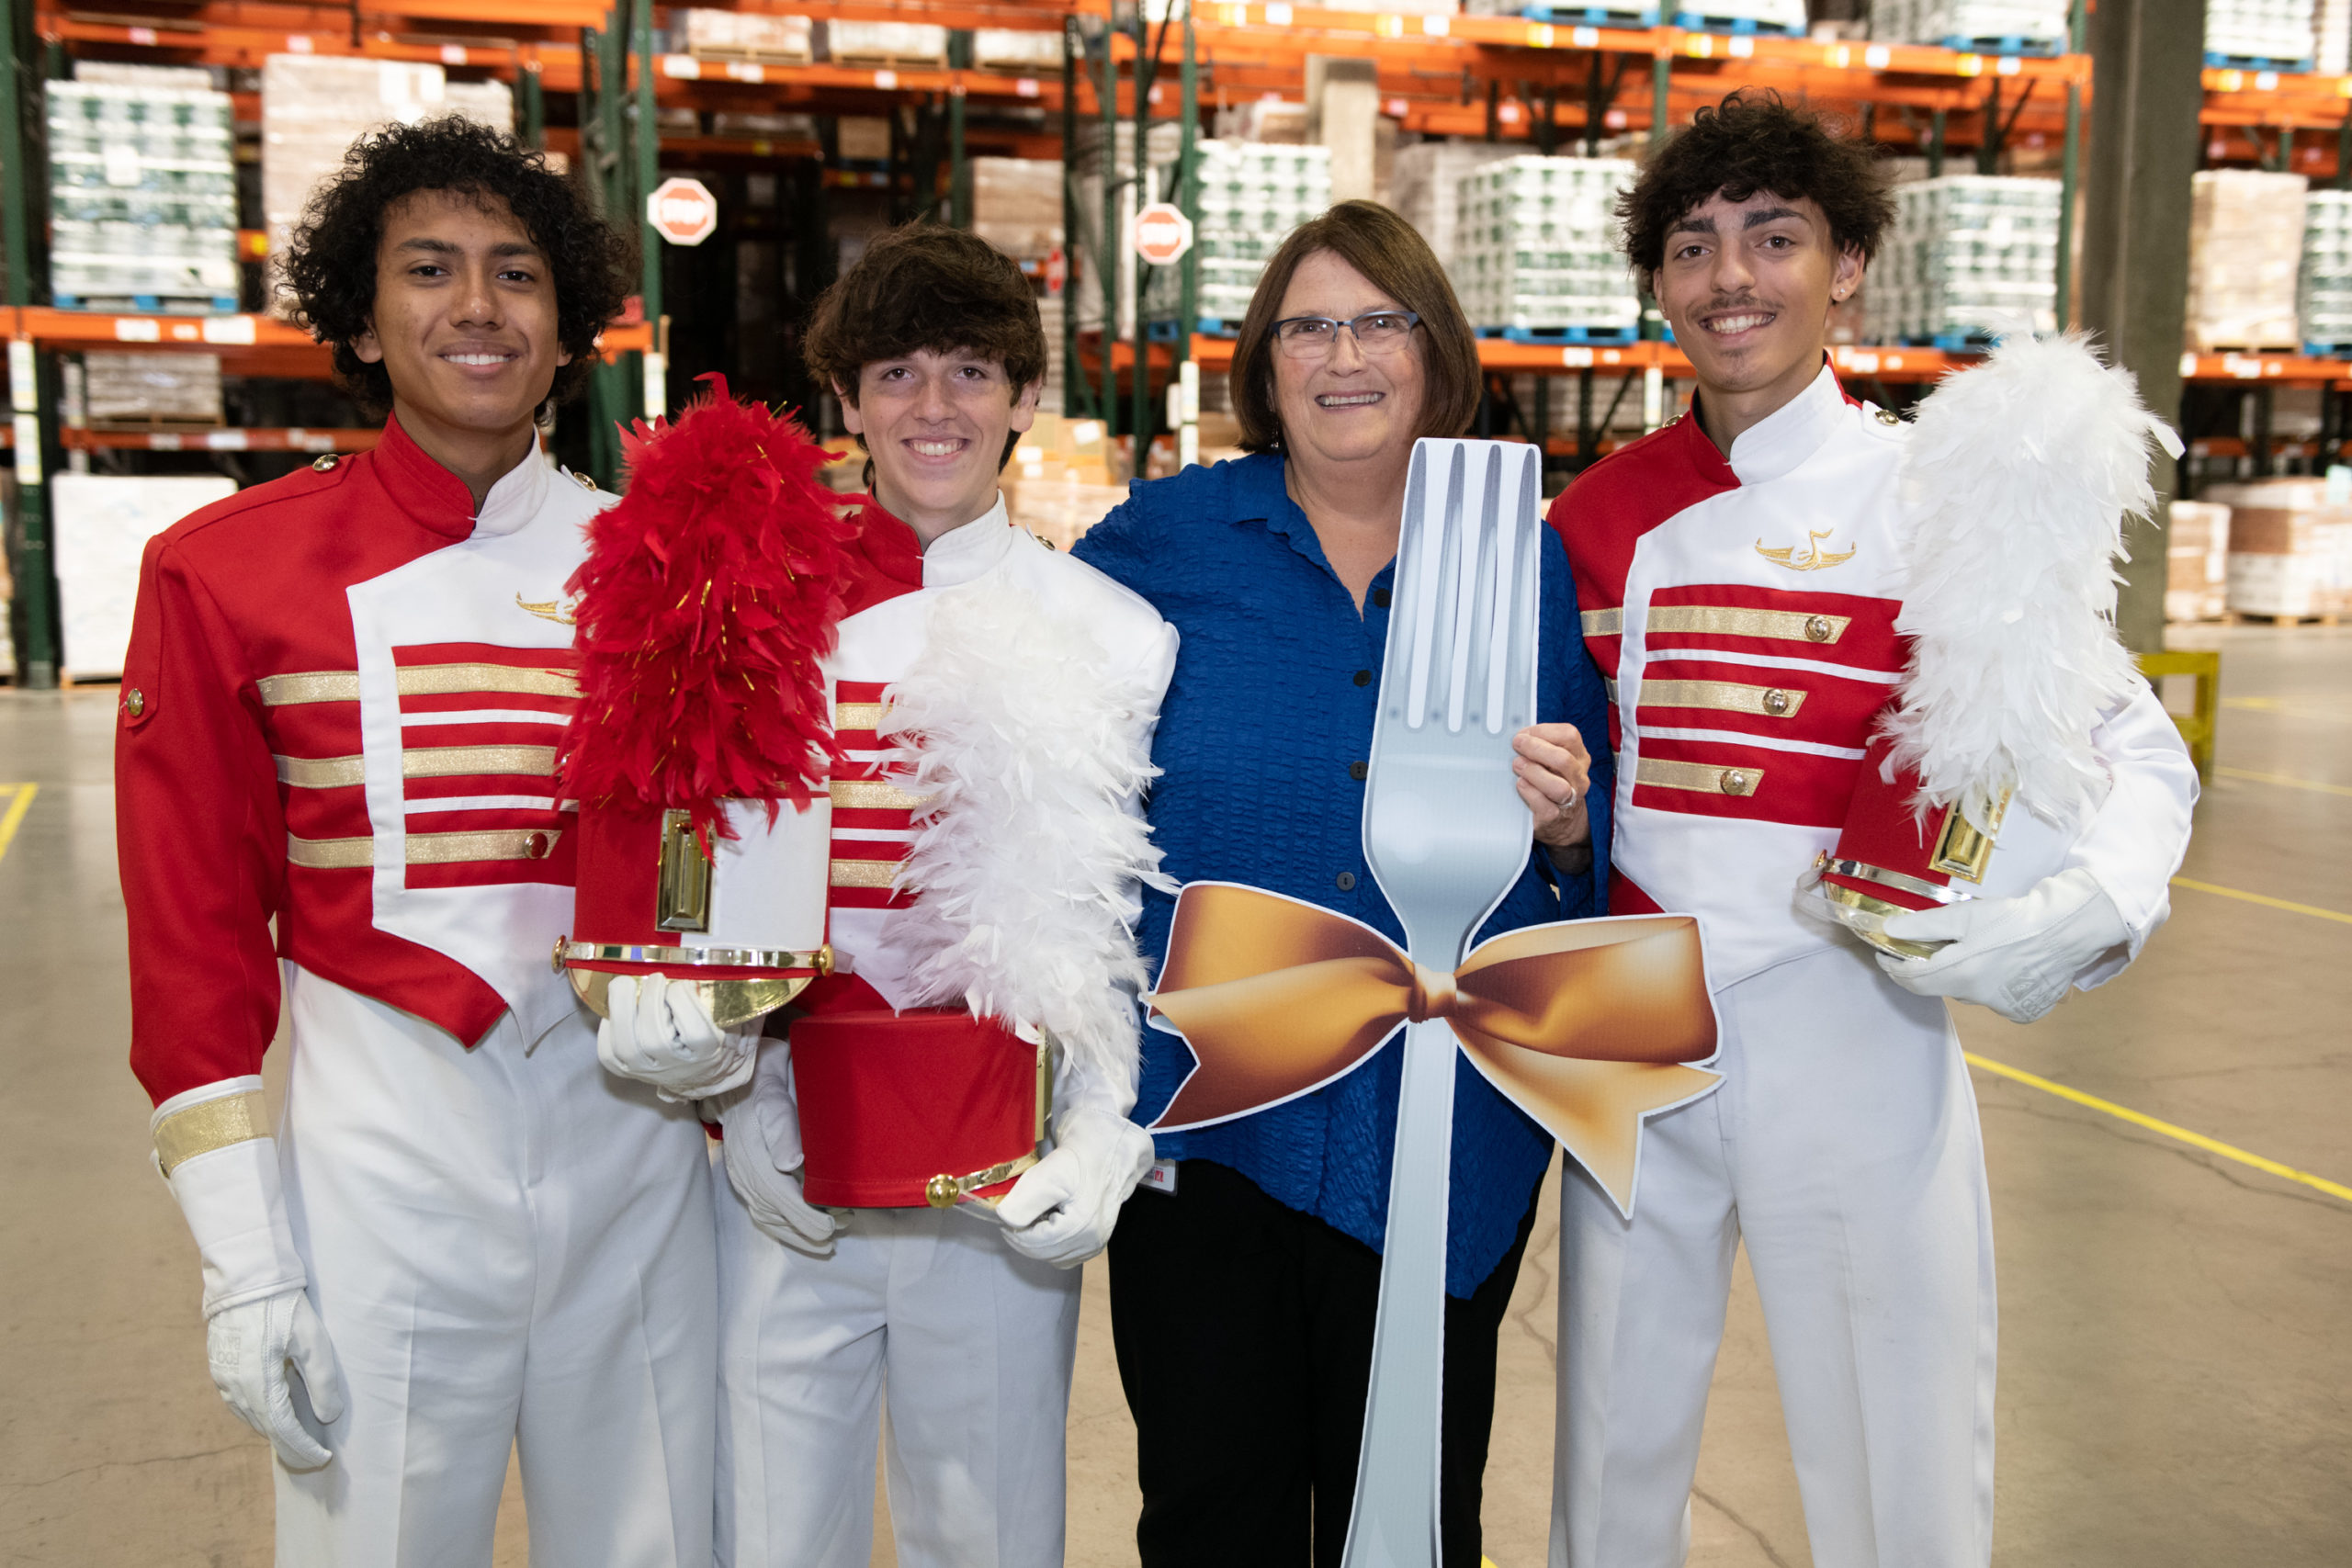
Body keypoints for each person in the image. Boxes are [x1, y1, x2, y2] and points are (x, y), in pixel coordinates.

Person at [1541, 91, 2198, 1568]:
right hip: (1625, 1018)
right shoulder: (1589, 516)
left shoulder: (1936, 497)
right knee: (1606, 1438)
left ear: (1846, 268)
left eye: (1774, 239)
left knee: (1892, 1431)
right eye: (1695, 246)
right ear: (1658, 282)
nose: (1731, 279)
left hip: (1846, 1010)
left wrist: (2097, 903)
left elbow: (2129, 743)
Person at [115, 118, 719, 1563]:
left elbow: (718, 871)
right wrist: (246, 1264)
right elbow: (192, 940)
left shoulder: (663, 568)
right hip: (373, 1175)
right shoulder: (220, 569)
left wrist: (728, 1056)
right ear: (366, 318)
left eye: (517, 274)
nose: (476, 308)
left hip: (631, 1164)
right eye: (428, 269)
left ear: (567, 326)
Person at [591, 222, 1178, 1568]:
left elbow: (1118, 921)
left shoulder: (1118, 635)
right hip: (784, 1171)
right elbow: (691, 883)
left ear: (1027, 398)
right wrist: (738, 1100)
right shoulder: (740, 607)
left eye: (972, 371)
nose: (934, 407)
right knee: (771, 1534)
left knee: (992, 1536)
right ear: (843, 401)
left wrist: (1104, 1126)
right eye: (896, 372)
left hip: (999, 1180)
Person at [1070, 199, 1613, 1567]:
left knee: (1415, 1523)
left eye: (1381, 321)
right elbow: (1043, 759)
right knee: (1211, 1514)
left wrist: (1559, 828)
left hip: (1437, 1126)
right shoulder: (1163, 544)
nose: (1344, 356)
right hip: (1206, 1117)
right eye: (1308, 325)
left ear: (1434, 353)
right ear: (1265, 362)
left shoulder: (1516, 561)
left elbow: (1580, 868)